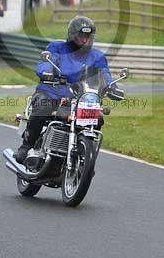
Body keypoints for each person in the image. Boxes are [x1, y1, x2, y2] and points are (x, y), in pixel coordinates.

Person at [14, 16, 113, 164]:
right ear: (72, 35)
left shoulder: (97, 55)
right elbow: (45, 63)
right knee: (43, 106)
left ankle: (85, 160)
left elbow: (105, 73)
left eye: (87, 36)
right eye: (81, 36)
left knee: (97, 118)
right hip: (51, 91)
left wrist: (112, 87)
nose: (84, 40)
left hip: (79, 97)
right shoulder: (57, 47)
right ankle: (26, 146)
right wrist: (46, 71)